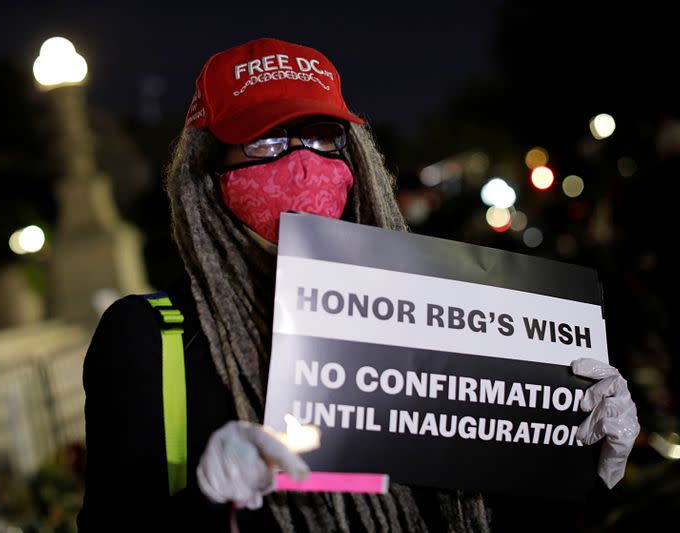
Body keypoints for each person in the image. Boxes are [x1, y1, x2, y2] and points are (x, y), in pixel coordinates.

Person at [75, 37, 639, 532]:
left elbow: (482, 510)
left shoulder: (431, 315)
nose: (300, 164)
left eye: (321, 137)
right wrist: (211, 501)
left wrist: (577, 458)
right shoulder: (151, 340)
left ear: (357, 162)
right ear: (208, 170)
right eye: (264, 142)